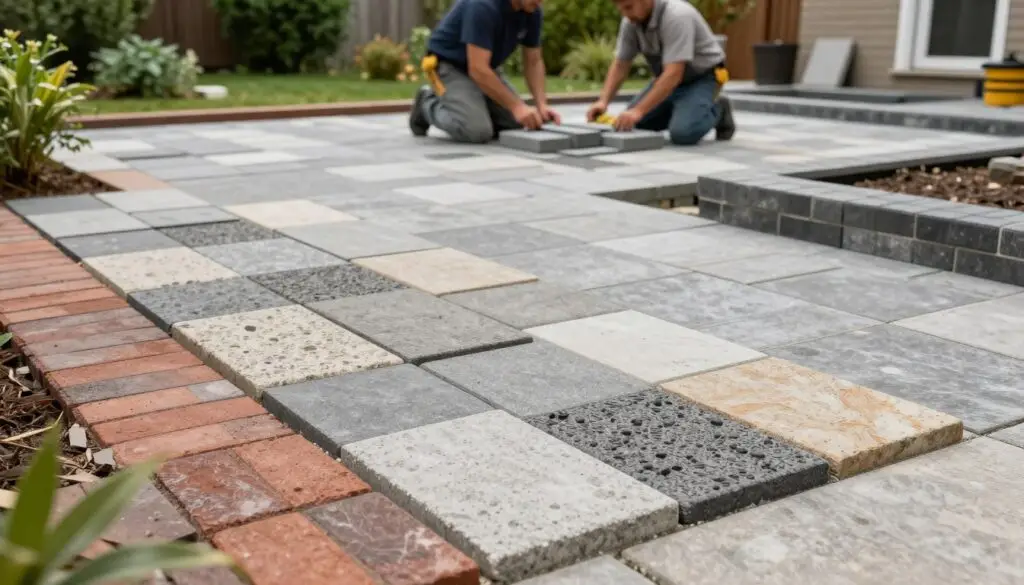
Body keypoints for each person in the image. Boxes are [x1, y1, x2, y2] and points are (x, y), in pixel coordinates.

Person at [409, 0, 561, 143]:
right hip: (448, 65)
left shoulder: (531, 9)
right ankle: (427, 102)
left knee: (522, 122)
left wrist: (542, 105)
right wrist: (517, 107)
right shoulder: (482, 6)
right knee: (477, 131)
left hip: (486, 68)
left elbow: (533, 61)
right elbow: (478, 70)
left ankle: (475, 107)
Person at [588, 0, 736, 145]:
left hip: (703, 77)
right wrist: (603, 101)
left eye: (628, 7)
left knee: (683, 133)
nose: (626, 14)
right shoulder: (631, 22)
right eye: (621, 10)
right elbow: (621, 64)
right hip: (668, 79)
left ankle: (719, 108)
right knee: (632, 123)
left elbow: (674, 74)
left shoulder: (677, 16)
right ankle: (685, 109)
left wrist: (639, 110)